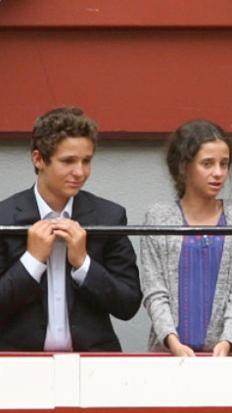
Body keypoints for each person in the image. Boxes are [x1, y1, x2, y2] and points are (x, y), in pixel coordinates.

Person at [0, 106, 141, 352]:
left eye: (86, 161)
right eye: (68, 161)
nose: (80, 172)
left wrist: (83, 263)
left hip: (91, 365)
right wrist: (31, 261)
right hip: (18, 365)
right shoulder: (4, 216)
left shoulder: (109, 216)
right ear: (38, 159)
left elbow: (128, 304)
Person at [140, 120, 232, 356]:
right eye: (207, 164)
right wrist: (172, 342)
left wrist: (228, 341)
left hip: (224, 357)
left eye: (224, 164)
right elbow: (154, 289)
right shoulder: (159, 217)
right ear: (184, 166)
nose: (218, 173)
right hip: (169, 355)